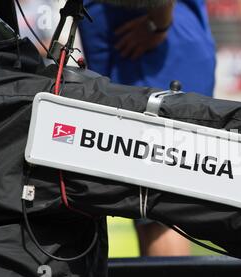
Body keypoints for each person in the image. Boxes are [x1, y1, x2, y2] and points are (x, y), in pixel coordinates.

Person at [79, 0, 216, 256]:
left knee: (160, 213)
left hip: (149, 50)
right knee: (151, 210)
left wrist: (157, 23)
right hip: (149, 48)